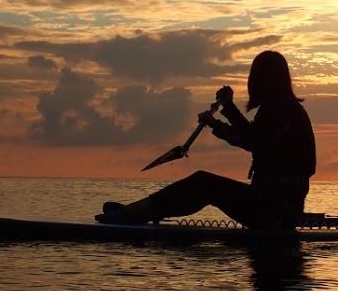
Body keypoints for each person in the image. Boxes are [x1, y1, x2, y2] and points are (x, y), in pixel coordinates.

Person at [97, 51, 316, 229]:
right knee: (202, 185)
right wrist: (225, 111)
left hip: (276, 215)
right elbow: (253, 136)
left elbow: (253, 141)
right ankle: (138, 211)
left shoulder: (285, 111)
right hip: (268, 206)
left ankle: (135, 213)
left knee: (203, 183)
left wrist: (219, 121)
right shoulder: (278, 110)